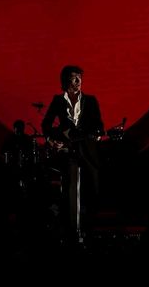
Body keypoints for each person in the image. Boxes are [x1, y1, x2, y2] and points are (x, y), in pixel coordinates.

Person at [41, 65, 104, 244]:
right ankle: (71, 230)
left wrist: (96, 134)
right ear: (66, 81)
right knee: (70, 188)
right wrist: (52, 140)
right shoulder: (58, 100)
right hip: (68, 150)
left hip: (87, 150)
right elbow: (46, 124)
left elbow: (99, 124)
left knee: (91, 188)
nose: (78, 81)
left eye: (79, 77)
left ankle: (88, 229)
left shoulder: (90, 101)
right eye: (74, 78)